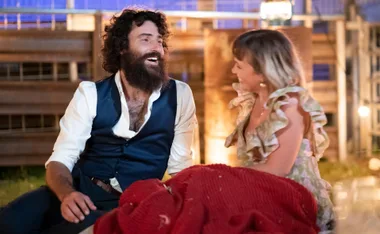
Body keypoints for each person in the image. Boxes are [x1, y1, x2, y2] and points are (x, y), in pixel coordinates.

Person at [0, 8, 197, 234]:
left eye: (160, 42)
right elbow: (60, 160)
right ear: (123, 48)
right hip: (80, 191)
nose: (156, 48)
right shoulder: (90, 94)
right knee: (11, 221)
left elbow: (180, 168)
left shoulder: (180, 95)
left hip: (135, 205)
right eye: (146, 39)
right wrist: (67, 194)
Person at [224, 29, 335, 232]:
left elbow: (278, 169)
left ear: (262, 70)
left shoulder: (290, 104)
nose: (233, 71)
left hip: (294, 202)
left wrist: (225, 176)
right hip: (260, 194)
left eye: (239, 65)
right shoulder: (253, 101)